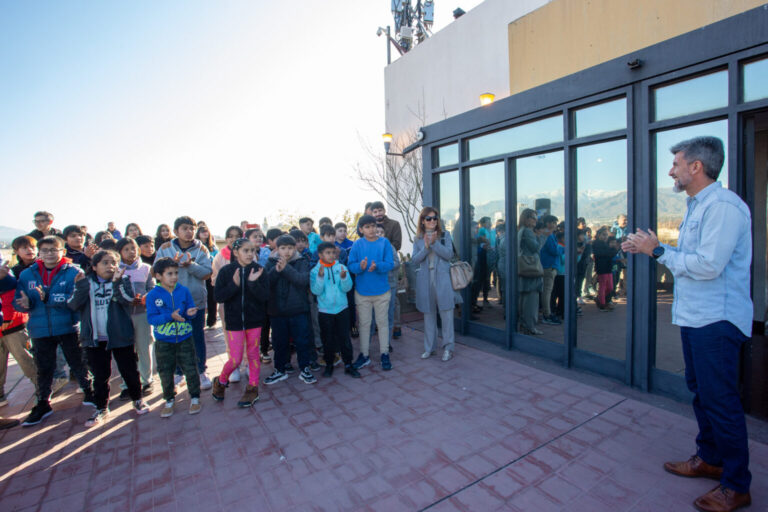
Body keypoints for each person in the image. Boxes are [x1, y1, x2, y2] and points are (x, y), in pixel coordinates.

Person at [623, 136, 752, 512]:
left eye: (676, 164)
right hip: (697, 318)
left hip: (717, 320)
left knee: (720, 400)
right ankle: (710, 458)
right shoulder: (699, 206)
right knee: (702, 393)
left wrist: (659, 251)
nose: (671, 171)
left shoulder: (723, 207)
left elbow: (709, 266)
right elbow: (694, 257)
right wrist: (650, 248)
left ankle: (736, 485)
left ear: (696, 167)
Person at [14, 236, 94, 426]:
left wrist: (50, 298)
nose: (49, 253)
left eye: (54, 249)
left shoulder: (74, 272)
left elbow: (76, 299)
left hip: (68, 327)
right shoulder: (27, 275)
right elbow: (19, 301)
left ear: (62, 251)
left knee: (78, 363)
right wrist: (24, 304)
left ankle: (89, 391)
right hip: (39, 330)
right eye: (45, 250)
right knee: (44, 368)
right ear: (39, 253)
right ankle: (43, 402)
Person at [68, 250, 150, 426]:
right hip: (95, 338)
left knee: (129, 370)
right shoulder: (85, 282)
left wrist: (116, 283)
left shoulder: (123, 279)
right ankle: (101, 407)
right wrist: (80, 286)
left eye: (114, 263)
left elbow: (128, 300)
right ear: (94, 266)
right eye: (105, 263)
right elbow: (74, 304)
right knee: (100, 375)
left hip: (120, 334)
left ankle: (137, 399)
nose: (110, 266)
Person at [155, 216, 213, 390]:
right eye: (185, 228)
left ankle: (200, 371)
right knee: (175, 337)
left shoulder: (201, 249)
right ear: (176, 231)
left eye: (191, 228)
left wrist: (190, 265)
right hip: (171, 303)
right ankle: (178, 373)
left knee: (197, 337)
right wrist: (171, 265)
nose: (189, 232)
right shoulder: (165, 248)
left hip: (195, 302)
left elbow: (207, 273)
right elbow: (155, 272)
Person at [211, 238, 269, 407]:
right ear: (236, 253)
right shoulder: (226, 272)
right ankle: (221, 381)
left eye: (252, 251)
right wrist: (234, 285)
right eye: (246, 250)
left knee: (253, 355)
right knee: (235, 359)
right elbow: (218, 297)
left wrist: (252, 283)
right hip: (234, 322)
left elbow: (265, 296)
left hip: (255, 321)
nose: (250, 254)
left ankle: (252, 389)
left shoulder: (260, 270)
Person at [145, 257, 202, 417]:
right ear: (158, 276)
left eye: (176, 273)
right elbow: (152, 319)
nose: (174, 277)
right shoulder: (152, 295)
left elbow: (190, 310)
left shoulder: (183, 291)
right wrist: (170, 316)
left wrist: (190, 313)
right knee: (165, 371)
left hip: (185, 338)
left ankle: (195, 397)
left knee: (191, 367)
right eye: (169, 273)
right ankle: (169, 399)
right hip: (164, 341)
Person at [263, 235, 316, 385]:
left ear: (295, 248)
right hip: (277, 311)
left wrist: (286, 268)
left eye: (290, 248)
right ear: (277, 249)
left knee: (302, 341)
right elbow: (266, 283)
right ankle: (280, 370)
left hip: (298, 309)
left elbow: (302, 281)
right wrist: (276, 270)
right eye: (283, 248)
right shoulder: (270, 262)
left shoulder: (301, 261)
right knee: (279, 342)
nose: (287, 251)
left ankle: (305, 368)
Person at [411, 207, 459, 361]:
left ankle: (448, 348)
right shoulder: (418, 238)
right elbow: (415, 260)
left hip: (443, 278)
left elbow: (449, 255)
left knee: (447, 314)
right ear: (423, 221)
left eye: (435, 218)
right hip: (426, 279)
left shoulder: (445, 235)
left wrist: (434, 244)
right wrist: (426, 248)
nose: (432, 221)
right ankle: (429, 348)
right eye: (429, 218)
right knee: (428, 314)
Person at [348, 215, 394, 371]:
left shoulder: (384, 243)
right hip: (362, 293)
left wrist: (378, 266)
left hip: (382, 292)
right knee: (364, 324)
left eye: (373, 226)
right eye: (367, 227)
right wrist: (360, 267)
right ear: (361, 229)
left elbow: (390, 264)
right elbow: (350, 265)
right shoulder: (357, 245)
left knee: (382, 324)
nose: (372, 229)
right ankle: (364, 355)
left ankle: (384, 354)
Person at [310, 242, 360, 378]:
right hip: (325, 311)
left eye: (333, 252)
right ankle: (329, 364)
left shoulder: (341, 267)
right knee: (328, 339)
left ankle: (348, 364)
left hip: (342, 309)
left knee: (345, 338)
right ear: (320, 255)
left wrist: (344, 279)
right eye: (328, 253)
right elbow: (316, 291)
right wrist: (320, 277)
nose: (331, 255)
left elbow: (347, 288)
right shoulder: (315, 271)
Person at [115, 238, 155, 397]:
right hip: (122, 316)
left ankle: (147, 381)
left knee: (144, 347)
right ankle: (127, 384)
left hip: (142, 314)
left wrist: (145, 298)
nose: (131, 252)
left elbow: (152, 288)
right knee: (125, 351)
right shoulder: (115, 270)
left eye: (133, 248)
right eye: (126, 249)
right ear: (119, 252)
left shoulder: (146, 268)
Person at [0, 258, 38, 407]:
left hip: (14, 328)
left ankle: (42, 388)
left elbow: (13, 298)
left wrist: (6, 318)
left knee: (26, 360)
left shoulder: (7, 278)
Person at [518, 209, 543, 335]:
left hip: (524, 269)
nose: (535, 220)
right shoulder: (527, 231)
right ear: (526, 219)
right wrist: (539, 237)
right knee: (531, 300)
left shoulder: (520, 230)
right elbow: (536, 248)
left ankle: (524, 324)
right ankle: (530, 326)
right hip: (531, 269)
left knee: (524, 300)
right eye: (533, 218)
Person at [538, 214, 563, 325]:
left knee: (547, 291)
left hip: (548, 265)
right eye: (551, 222)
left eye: (554, 222)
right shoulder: (548, 235)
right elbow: (554, 250)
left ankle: (547, 312)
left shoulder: (550, 235)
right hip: (548, 266)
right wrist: (563, 249)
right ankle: (547, 314)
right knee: (547, 292)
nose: (553, 225)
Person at [197, 225, 219, 329]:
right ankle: (200, 321)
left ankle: (212, 320)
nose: (205, 233)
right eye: (202, 231)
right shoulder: (196, 246)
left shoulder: (212, 246)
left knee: (212, 297)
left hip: (211, 274)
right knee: (200, 297)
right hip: (200, 274)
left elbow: (217, 257)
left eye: (206, 231)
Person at [592, 227, 617, 311]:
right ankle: (602, 304)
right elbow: (602, 254)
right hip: (601, 268)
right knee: (602, 286)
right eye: (604, 235)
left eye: (606, 235)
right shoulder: (596, 244)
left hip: (608, 267)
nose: (605, 237)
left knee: (610, 287)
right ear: (599, 235)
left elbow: (611, 254)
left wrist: (612, 250)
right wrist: (610, 251)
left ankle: (601, 299)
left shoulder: (606, 244)